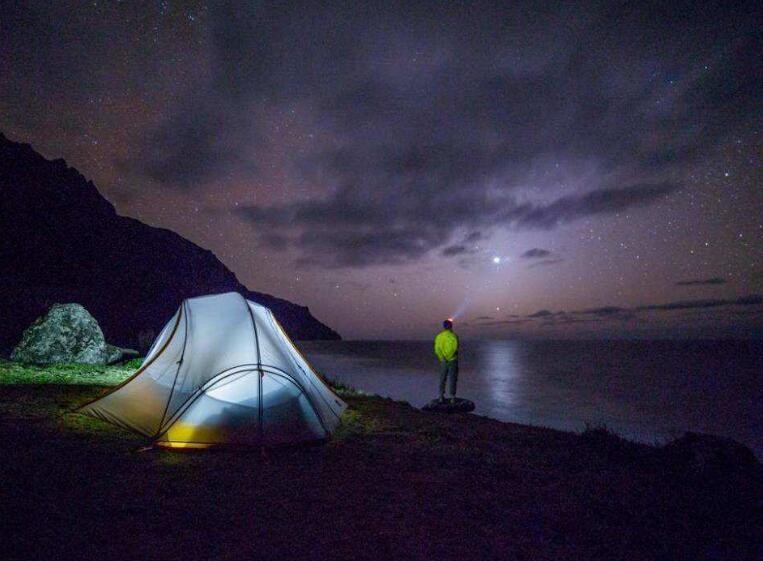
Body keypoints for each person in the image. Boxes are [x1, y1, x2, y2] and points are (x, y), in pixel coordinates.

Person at [434, 319, 459, 403]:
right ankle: (452, 397)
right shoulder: (454, 336)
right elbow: (455, 348)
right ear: (451, 326)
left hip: (443, 361)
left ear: (444, 326)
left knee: (442, 378)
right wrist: (449, 356)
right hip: (452, 360)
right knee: (453, 378)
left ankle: (441, 396)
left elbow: (437, 349)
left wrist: (442, 358)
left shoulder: (439, 336)